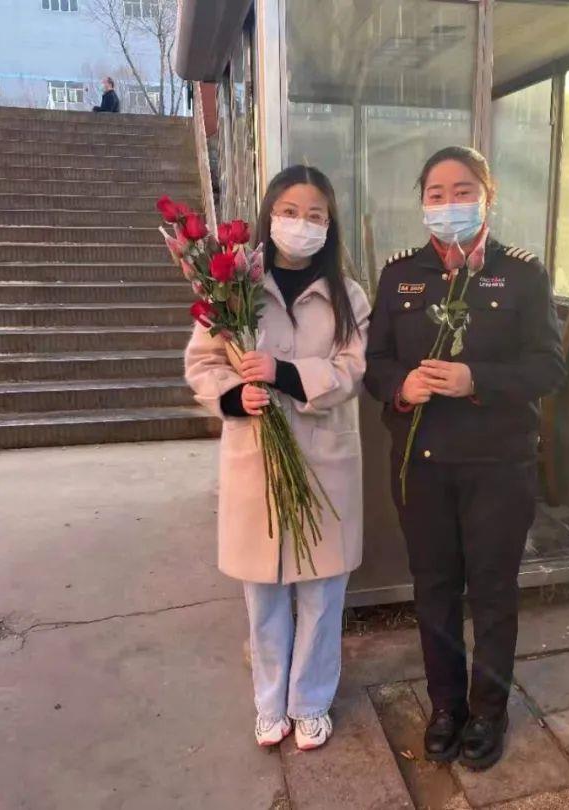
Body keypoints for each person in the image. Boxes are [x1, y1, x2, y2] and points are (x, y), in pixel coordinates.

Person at [364, 146, 565, 771]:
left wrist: (476, 379)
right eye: (436, 193)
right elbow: (374, 364)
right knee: (435, 590)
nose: (449, 204)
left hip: (498, 467)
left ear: (487, 197)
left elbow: (549, 367)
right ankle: (446, 707)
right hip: (422, 467)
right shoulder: (400, 275)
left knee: (494, 591)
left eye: (463, 191)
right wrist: (402, 385)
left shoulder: (522, 274)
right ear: (422, 202)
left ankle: (489, 712)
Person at [185, 165, 370, 751]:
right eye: (290, 212)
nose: (302, 224)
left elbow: (352, 371)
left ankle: (310, 701)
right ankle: (269, 703)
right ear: (269, 216)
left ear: (330, 225)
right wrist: (233, 397)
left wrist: (285, 373)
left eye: (316, 215)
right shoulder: (234, 289)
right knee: (262, 594)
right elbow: (203, 364)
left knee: (322, 593)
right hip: (257, 457)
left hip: (325, 461)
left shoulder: (348, 296)